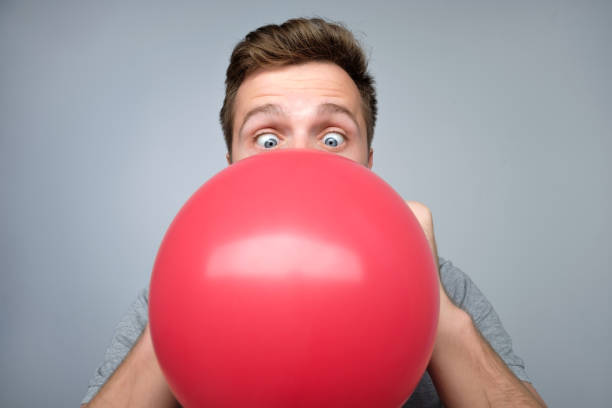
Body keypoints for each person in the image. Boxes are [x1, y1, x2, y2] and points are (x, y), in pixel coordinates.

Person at [81, 18, 547, 407]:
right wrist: (177, 303)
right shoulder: (170, 293)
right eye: (268, 139)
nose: (299, 160)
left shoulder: (447, 285)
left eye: (331, 138)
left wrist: (433, 303)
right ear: (229, 167)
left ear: (368, 161)